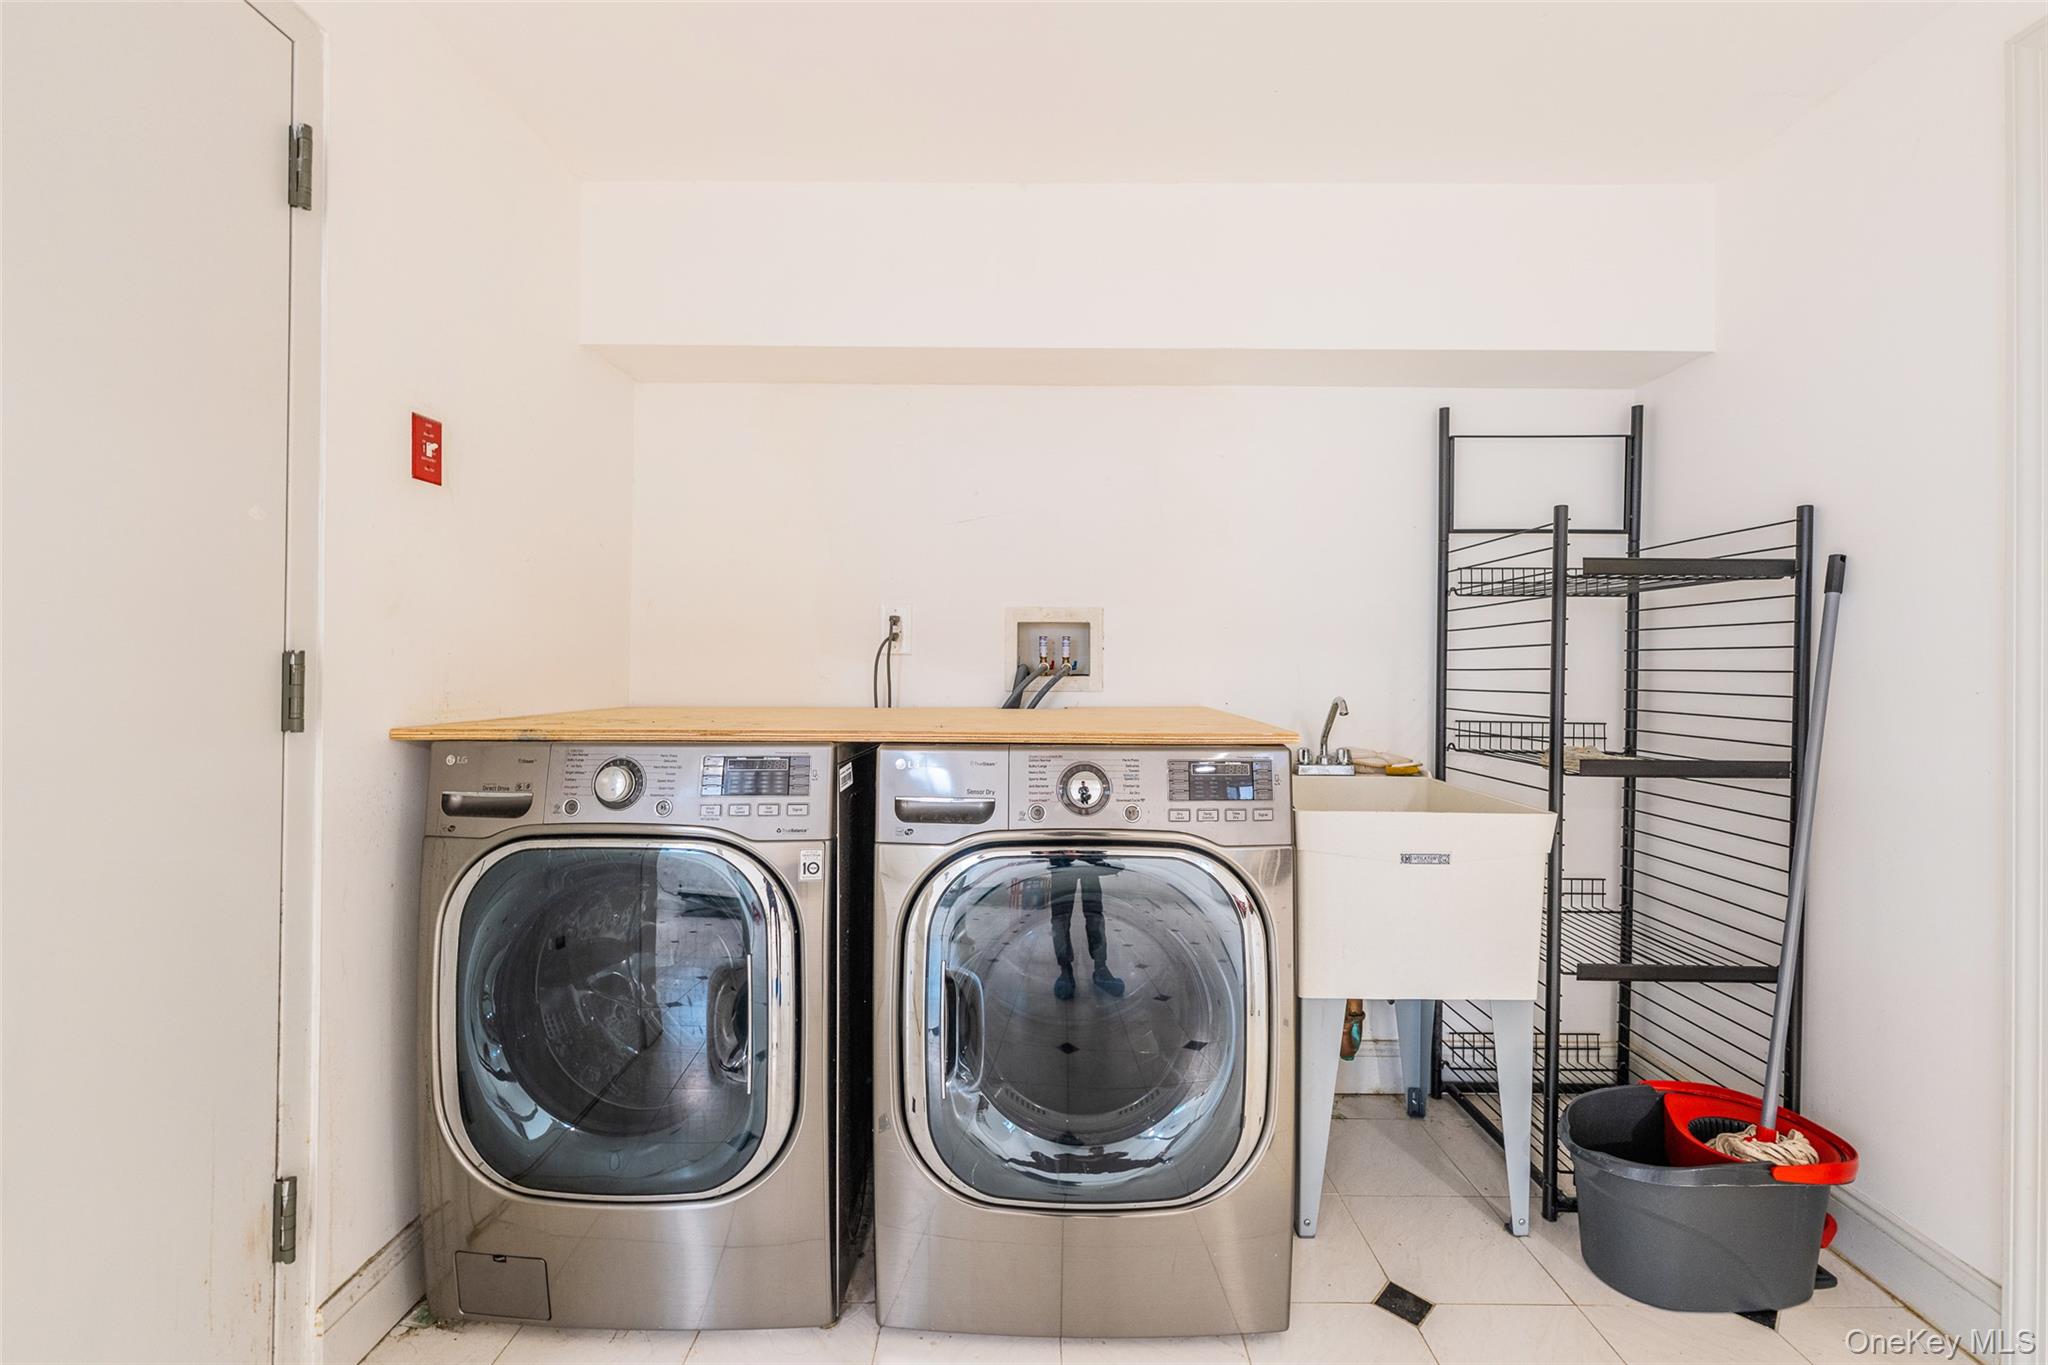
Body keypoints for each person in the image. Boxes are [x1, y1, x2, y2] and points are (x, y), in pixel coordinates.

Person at [1041, 855, 1125, 1000]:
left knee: (1094, 917)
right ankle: (1066, 970)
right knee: (1061, 920)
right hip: (1061, 859)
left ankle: (1100, 969)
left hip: (1090, 859)